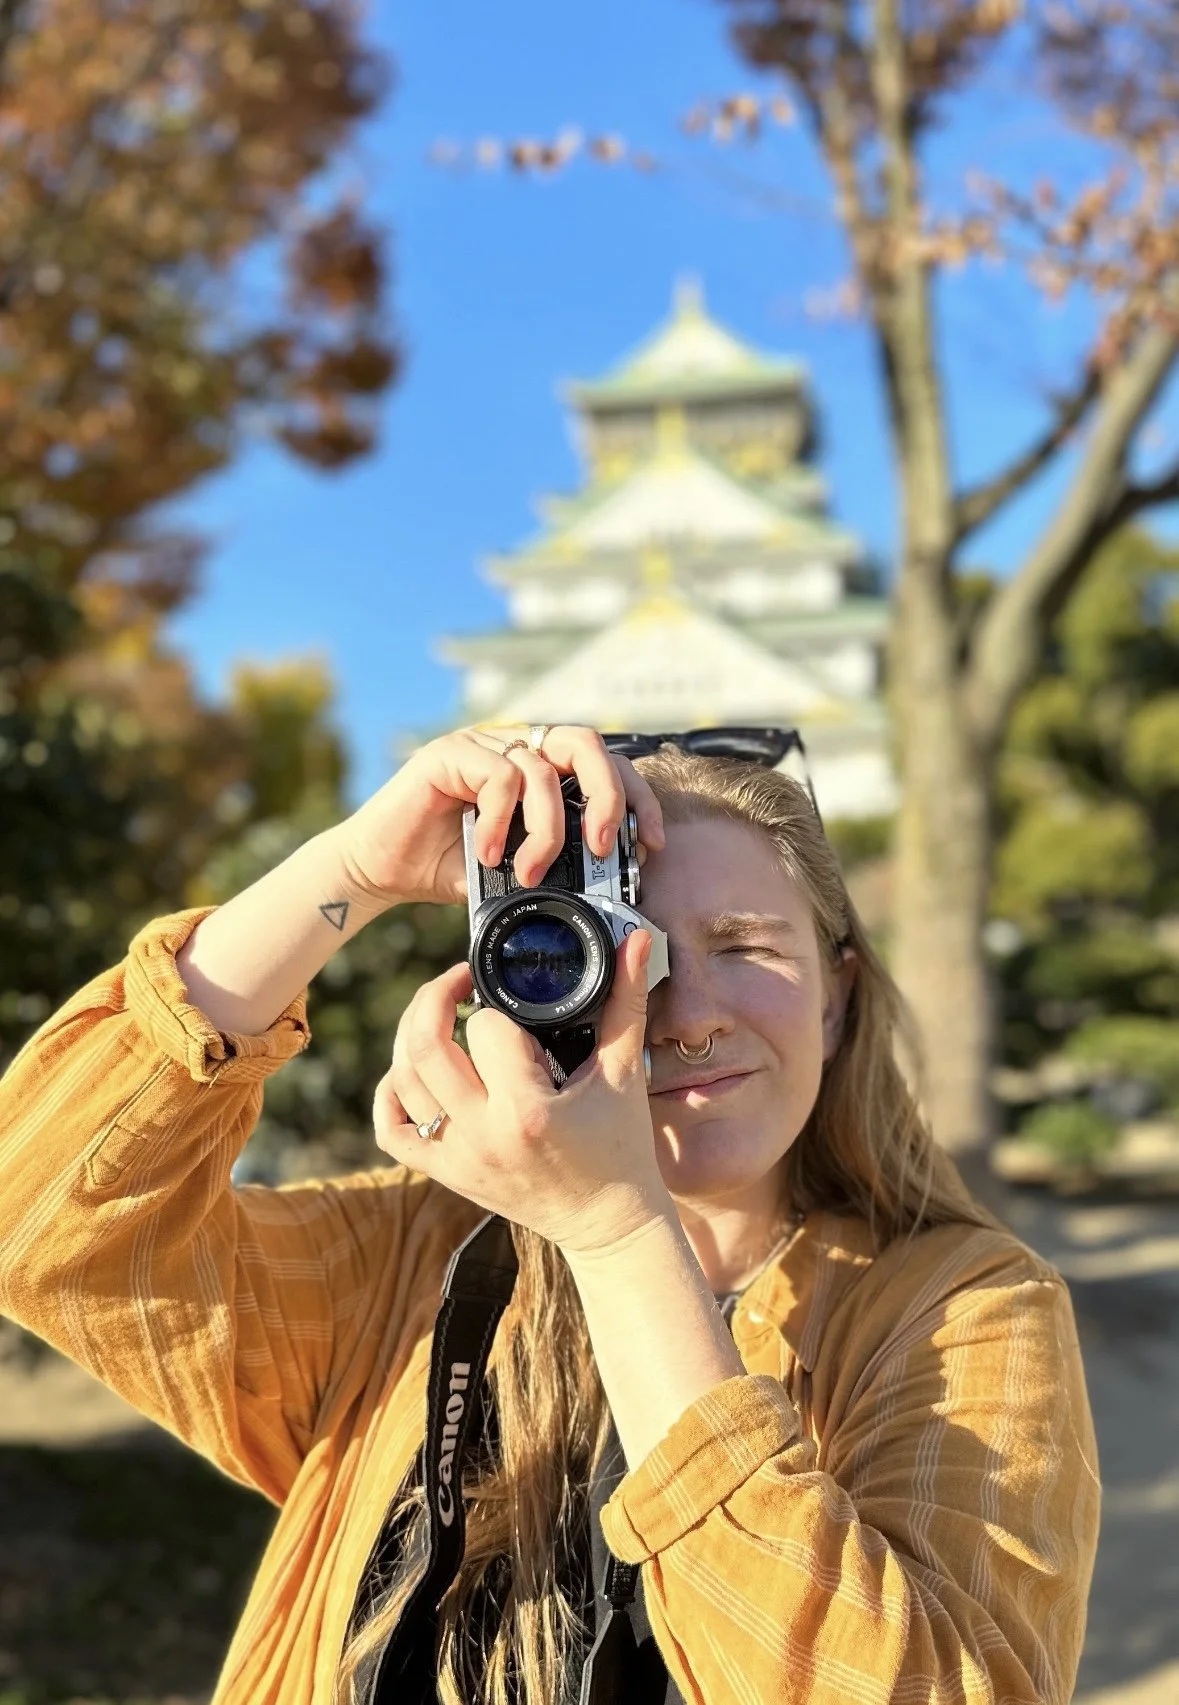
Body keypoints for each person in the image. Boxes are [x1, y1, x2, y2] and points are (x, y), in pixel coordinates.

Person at [0, 722, 1099, 1705]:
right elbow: (42, 1220)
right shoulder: (410, 1264)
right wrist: (346, 873)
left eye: (748, 946)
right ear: (518, 982)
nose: (684, 1015)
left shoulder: (961, 1312)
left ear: (840, 991)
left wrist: (619, 1235)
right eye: (619, 951)